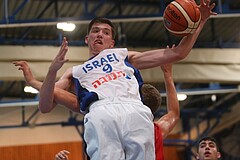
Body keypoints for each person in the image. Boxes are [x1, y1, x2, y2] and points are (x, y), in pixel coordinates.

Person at [14, 1, 216, 159]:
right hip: (101, 112)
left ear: (112, 42)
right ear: (87, 39)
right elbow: (45, 105)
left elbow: (179, 53)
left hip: (133, 108)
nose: (100, 34)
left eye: (106, 32)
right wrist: (51, 71)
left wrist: (200, 22)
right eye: (95, 31)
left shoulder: (124, 55)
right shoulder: (74, 71)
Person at [54, 62, 179, 160]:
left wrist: (38, 83)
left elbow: (60, 95)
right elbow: (173, 113)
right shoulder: (156, 131)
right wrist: (167, 73)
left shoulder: (106, 119)